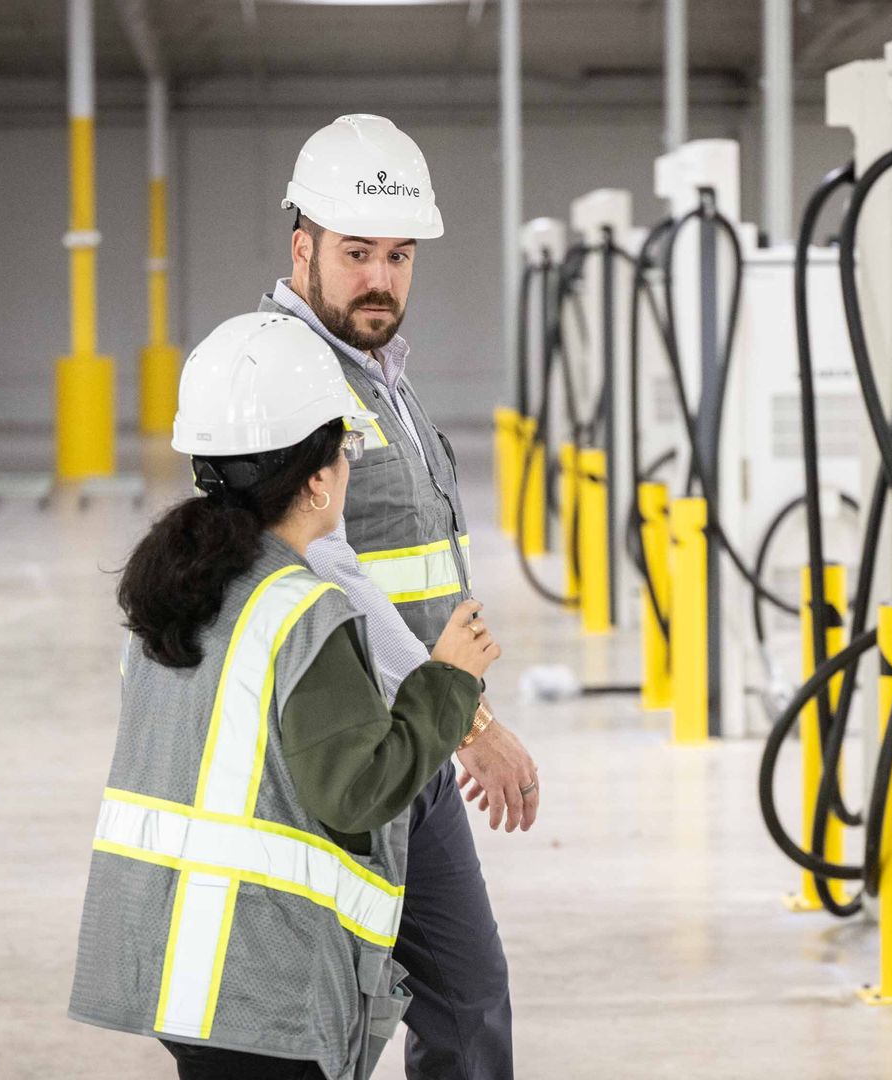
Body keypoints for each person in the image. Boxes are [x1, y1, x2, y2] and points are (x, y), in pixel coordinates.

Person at [68, 313, 503, 1080]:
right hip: (263, 984)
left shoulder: (176, 592)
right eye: (348, 450)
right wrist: (449, 680)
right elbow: (358, 791)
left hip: (175, 965)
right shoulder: (302, 613)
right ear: (315, 479)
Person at [263, 114, 530, 1079]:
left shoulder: (382, 372)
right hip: (343, 750)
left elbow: (417, 573)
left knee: (467, 994)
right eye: (357, 253)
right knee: (335, 1018)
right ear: (305, 247)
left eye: (399, 255)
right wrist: (472, 725)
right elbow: (329, 577)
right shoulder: (287, 377)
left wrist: (464, 711)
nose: (382, 278)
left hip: (420, 735)